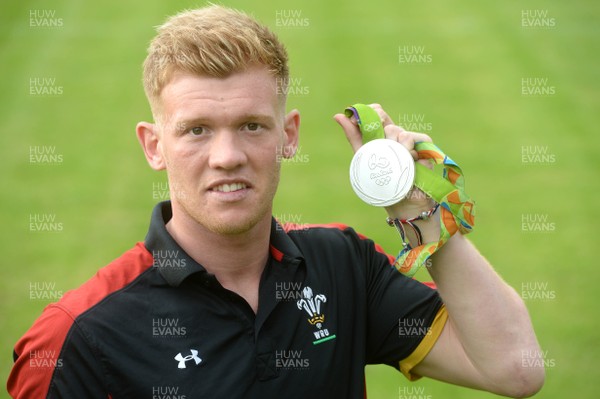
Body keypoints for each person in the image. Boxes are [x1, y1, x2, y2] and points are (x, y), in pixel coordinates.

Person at [7, 5, 545, 398]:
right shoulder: (78, 333)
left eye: (251, 126)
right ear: (154, 145)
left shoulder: (342, 266)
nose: (227, 156)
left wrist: (415, 209)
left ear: (288, 135)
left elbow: (515, 369)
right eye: (196, 130)